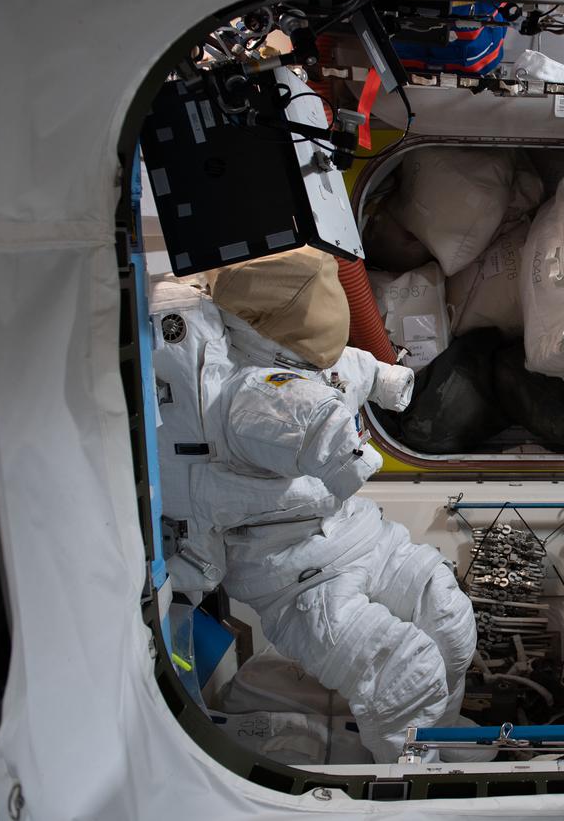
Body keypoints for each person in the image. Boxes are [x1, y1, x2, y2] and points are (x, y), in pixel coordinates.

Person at [151, 248, 475, 762]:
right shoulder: (250, 393)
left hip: (356, 534)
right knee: (404, 674)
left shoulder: (298, 354)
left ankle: (445, 737)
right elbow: (305, 419)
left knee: (450, 618)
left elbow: (348, 366)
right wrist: (348, 451)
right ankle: (412, 784)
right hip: (295, 574)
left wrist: (386, 380)